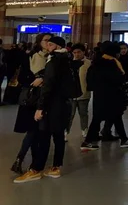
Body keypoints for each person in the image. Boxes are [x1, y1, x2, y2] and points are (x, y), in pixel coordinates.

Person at [14, 37, 73, 183]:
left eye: (51, 43)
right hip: (63, 104)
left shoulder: (53, 61)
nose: (48, 45)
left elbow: (48, 87)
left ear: (57, 46)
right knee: (58, 136)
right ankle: (55, 167)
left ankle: (36, 169)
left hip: (52, 105)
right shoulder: (66, 59)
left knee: (43, 136)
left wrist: (40, 107)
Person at [81, 41, 128, 151]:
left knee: (115, 116)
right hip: (110, 95)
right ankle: (87, 141)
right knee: (98, 119)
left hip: (101, 95)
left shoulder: (97, 62)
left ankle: (124, 139)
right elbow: (117, 79)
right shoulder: (110, 63)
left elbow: (91, 81)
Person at [11, 33, 51, 176]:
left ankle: (26, 161)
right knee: (34, 130)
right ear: (39, 42)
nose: (48, 43)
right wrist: (37, 79)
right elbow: (23, 77)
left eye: (50, 41)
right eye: (45, 41)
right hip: (32, 99)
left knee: (35, 131)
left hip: (42, 99)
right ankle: (23, 160)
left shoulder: (52, 57)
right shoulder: (32, 56)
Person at [66, 43, 91, 140]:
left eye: (79, 52)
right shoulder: (69, 63)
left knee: (83, 113)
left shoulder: (88, 63)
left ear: (83, 52)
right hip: (71, 93)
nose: (76, 54)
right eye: (74, 52)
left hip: (84, 92)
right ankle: (66, 131)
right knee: (70, 114)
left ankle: (84, 130)